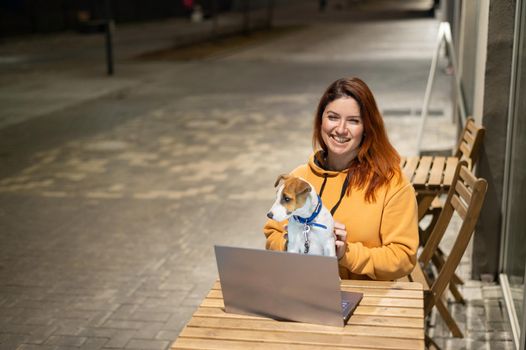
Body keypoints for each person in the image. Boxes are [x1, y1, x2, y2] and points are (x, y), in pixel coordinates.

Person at [263, 77, 419, 280]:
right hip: (305, 288)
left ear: (367, 128)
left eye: (353, 121)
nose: (341, 129)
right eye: (333, 117)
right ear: (321, 120)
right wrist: (292, 244)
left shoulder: (391, 184)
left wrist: (346, 253)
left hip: (366, 298)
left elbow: (403, 257)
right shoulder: (299, 178)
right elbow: (272, 234)